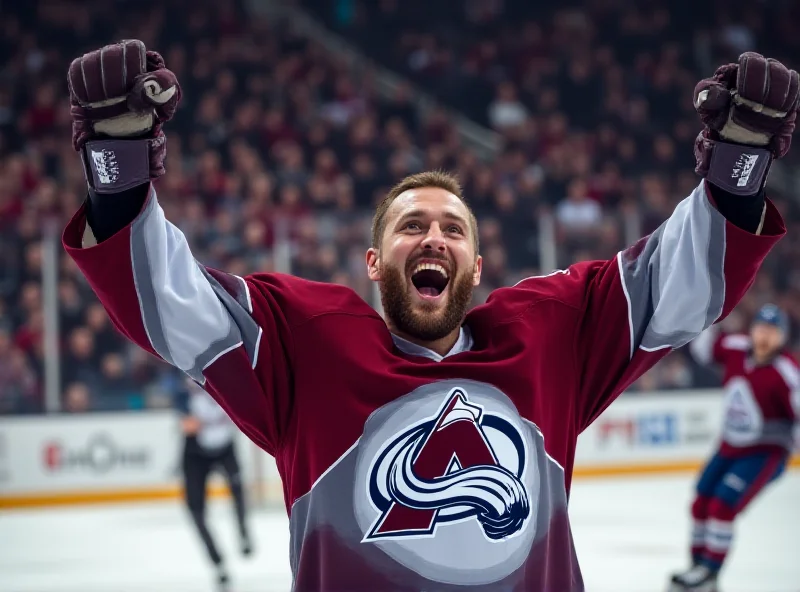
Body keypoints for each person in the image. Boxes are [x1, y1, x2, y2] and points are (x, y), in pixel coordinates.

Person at [61, 40, 796, 591]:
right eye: (410, 226)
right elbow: (168, 302)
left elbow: (683, 284)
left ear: (477, 267)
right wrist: (117, 166)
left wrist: (738, 166)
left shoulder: (549, 334)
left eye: (454, 229)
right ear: (375, 264)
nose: (434, 236)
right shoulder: (304, 345)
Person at [670, 304, 799, 591]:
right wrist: (707, 313)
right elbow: (704, 350)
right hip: (728, 447)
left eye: (772, 332)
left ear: (783, 337)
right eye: (761, 329)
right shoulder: (737, 348)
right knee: (701, 501)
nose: (764, 337)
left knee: (723, 504)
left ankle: (710, 574)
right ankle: (697, 568)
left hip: (765, 452)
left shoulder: (788, 373)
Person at [176, 378, 253, 592]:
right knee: (195, 510)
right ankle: (218, 563)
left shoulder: (227, 380)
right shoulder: (185, 391)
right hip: (195, 453)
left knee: (238, 489)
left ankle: (243, 533)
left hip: (225, 447)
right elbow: (187, 424)